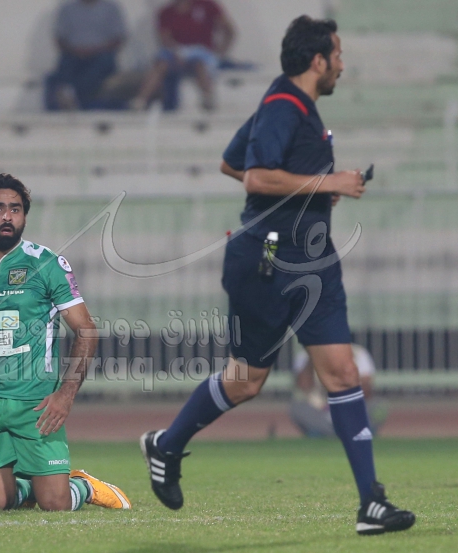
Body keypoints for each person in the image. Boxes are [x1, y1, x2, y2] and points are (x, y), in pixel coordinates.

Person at [141, 16, 415, 535]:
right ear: (318, 60)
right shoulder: (282, 106)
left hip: (314, 261)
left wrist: (313, 194)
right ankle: (167, 444)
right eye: (337, 55)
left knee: (343, 374)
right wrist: (326, 182)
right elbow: (254, 176)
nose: (341, 65)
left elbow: (231, 161)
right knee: (247, 382)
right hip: (267, 261)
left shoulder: (290, 105)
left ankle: (371, 504)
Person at [0, 174, 131, 512]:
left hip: (35, 403)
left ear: (24, 217)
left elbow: (86, 330)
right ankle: (31, 486)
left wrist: (65, 395)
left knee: (56, 504)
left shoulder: (47, 264)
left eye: (15, 209)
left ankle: (83, 486)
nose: (7, 216)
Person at [130, 0, 235, 111]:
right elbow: (165, 38)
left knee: (200, 65)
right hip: (176, 51)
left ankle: (208, 99)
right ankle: (141, 100)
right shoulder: (166, 12)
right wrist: (178, 53)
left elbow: (229, 30)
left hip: (201, 53)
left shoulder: (207, 6)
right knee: (160, 64)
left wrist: (221, 51)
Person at [290, 343, 388, 438]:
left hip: (350, 408)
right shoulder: (305, 355)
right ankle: (343, 433)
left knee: (377, 406)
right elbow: (303, 387)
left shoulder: (358, 353)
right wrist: (313, 357)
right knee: (298, 408)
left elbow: (366, 390)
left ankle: (336, 432)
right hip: (320, 409)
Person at [44, 0, 126, 111]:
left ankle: (75, 98)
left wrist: (94, 50)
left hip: (101, 55)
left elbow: (118, 38)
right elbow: (60, 38)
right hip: (73, 54)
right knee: (60, 71)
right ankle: (65, 102)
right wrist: (77, 50)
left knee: (101, 65)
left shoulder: (111, 8)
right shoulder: (67, 9)